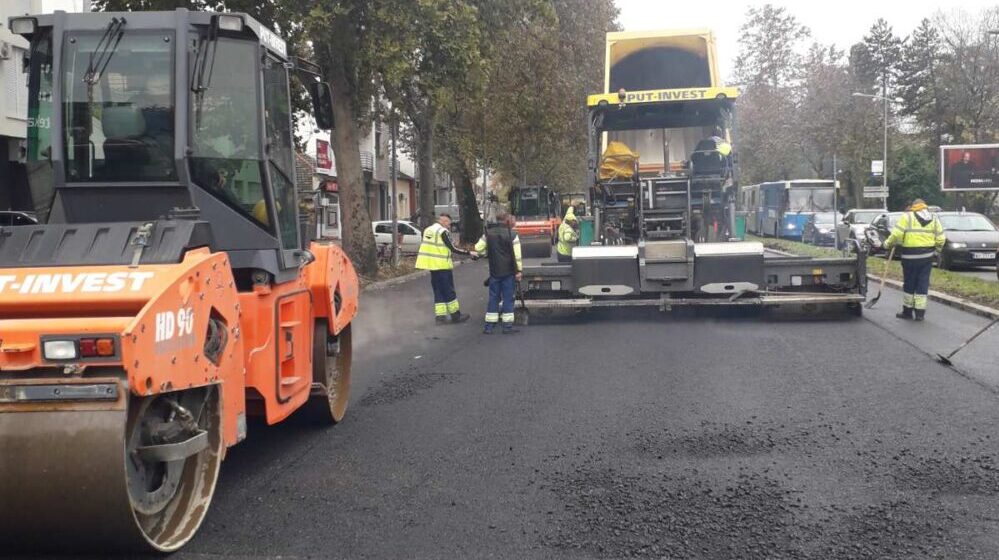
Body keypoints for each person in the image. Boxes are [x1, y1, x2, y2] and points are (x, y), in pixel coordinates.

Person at [883, 199, 945, 322]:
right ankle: (920, 314)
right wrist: (936, 251)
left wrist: (887, 244)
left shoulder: (907, 217)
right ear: (925, 206)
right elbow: (941, 239)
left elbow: (896, 235)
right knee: (922, 283)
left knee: (909, 283)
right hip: (927, 257)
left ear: (913, 206)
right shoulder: (933, 218)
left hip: (909, 257)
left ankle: (907, 311)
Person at [415, 214, 472, 324]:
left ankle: (440, 317)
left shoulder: (428, 230)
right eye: (448, 224)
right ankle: (455, 315)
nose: (449, 226)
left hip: (432, 266)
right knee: (449, 290)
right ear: (444, 221)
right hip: (442, 265)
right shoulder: (442, 231)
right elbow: (453, 248)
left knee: (438, 291)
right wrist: (469, 253)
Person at [474, 213, 523, 334]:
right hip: (509, 272)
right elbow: (517, 256)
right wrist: (519, 271)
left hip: (494, 272)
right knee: (508, 299)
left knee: (493, 298)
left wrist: (486, 252)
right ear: (507, 221)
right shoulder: (513, 235)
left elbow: (478, 248)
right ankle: (507, 326)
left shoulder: (488, 233)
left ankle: (489, 327)